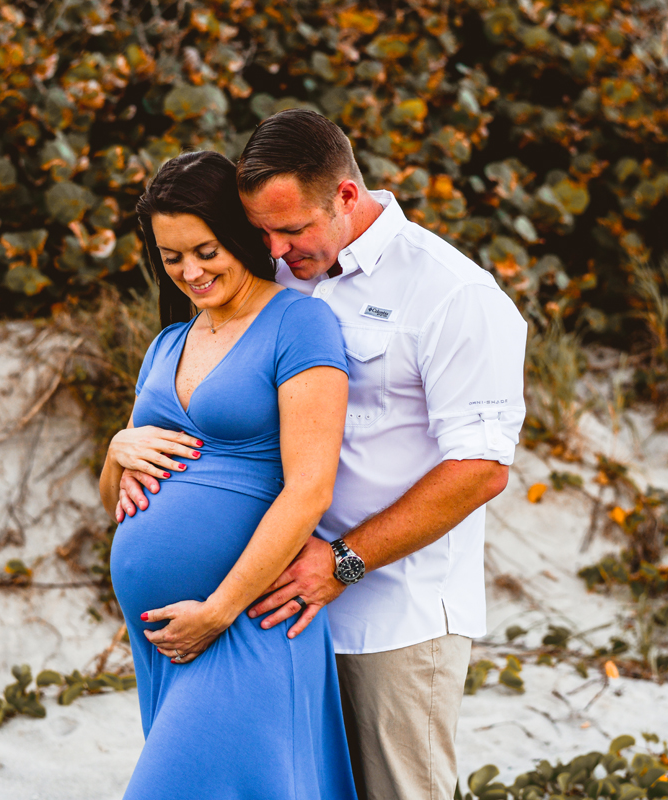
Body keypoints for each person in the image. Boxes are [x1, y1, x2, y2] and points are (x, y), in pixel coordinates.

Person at [115, 111, 528, 800]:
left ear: (345, 196)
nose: (274, 247)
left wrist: (342, 562)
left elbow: (481, 468)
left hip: (393, 612)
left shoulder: (452, 294)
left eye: (291, 229)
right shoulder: (284, 276)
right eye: (261, 231)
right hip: (276, 610)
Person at [99, 149, 357, 799]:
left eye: (205, 250)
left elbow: (309, 489)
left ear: (240, 235)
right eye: (172, 255)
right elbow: (118, 502)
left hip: (247, 621)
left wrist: (220, 609)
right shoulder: (167, 345)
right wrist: (115, 451)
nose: (190, 271)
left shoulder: (299, 324)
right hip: (166, 634)